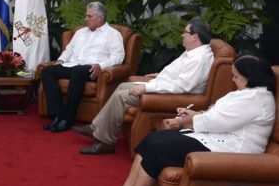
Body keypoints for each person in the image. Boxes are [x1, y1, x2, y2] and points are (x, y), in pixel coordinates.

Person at [94, 54, 276, 186]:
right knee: (152, 139)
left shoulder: (256, 99)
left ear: (250, 77)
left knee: (158, 147)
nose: (233, 78)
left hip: (233, 149)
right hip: (218, 137)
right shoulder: (248, 93)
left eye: (236, 75)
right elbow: (219, 117)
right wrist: (194, 116)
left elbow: (217, 121)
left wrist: (187, 120)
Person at [76, 17, 214, 154]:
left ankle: (105, 141)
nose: (182, 35)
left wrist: (146, 87)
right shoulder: (194, 52)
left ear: (195, 36)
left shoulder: (199, 59)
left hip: (176, 96)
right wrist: (159, 75)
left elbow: (181, 87)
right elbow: (180, 75)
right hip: (166, 86)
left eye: (185, 32)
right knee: (123, 86)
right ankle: (96, 127)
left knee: (122, 96)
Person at [41, 2, 125, 133]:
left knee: (78, 72)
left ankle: (68, 118)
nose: (85, 19)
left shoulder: (113, 34)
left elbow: (118, 57)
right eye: (86, 16)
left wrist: (100, 65)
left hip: (92, 68)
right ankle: (57, 115)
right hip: (73, 65)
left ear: (100, 18)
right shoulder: (80, 32)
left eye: (89, 16)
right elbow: (68, 51)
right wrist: (61, 60)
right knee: (47, 71)